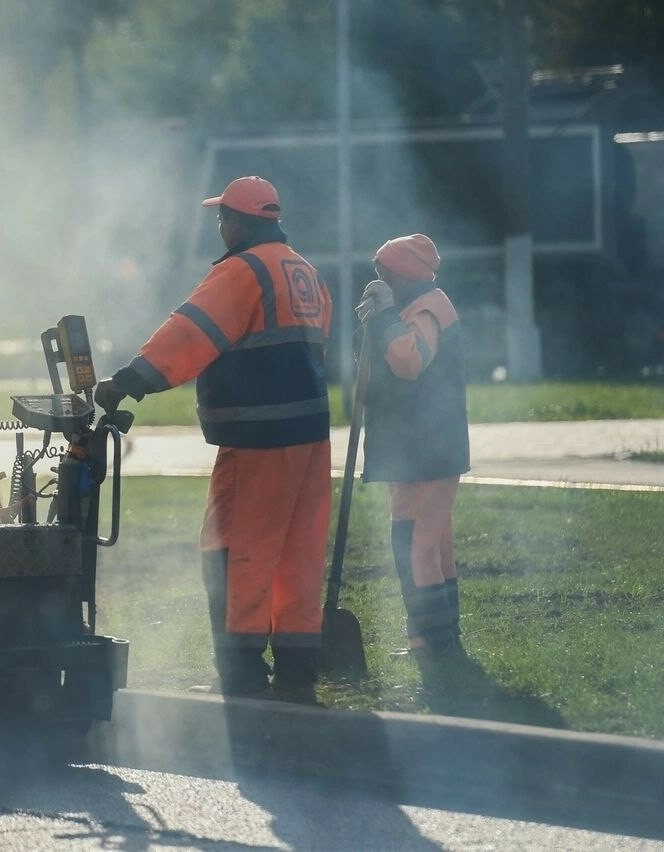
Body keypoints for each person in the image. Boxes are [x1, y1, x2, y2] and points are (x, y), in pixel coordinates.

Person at [95, 176, 333, 701]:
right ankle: (298, 669)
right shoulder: (305, 272)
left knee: (233, 549)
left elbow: (191, 332)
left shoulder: (244, 271)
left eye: (223, 217)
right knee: (299, 552)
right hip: (311, 439)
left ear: (241, 221)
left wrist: (129, 381)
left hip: (259, 439)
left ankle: (242, 670)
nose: (220, 226)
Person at [354, 234, 471, 680]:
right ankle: (432, 641)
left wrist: (384, 317)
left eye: (383, 274)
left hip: (428, 450)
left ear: (403, 274)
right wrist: (372, 324)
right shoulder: (411, 307)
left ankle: (438, 649)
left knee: (417, 547)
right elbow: (377, 363)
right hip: (415, 450)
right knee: (430, 545)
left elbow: (409, 362)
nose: (377, 280)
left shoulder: (428, 308)